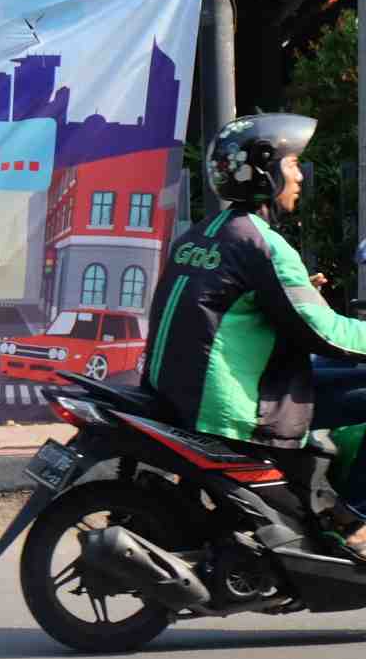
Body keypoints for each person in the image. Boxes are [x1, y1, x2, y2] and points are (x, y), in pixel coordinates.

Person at [144, 112, 366, 556]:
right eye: (291, 165)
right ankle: (357, 521)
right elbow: (321, 331)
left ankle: (324, 501)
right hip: (233, 402)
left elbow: (239, 309)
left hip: (183, 389)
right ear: (265, 170)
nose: (299, 175)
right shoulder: (260, 242)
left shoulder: (206, 233)